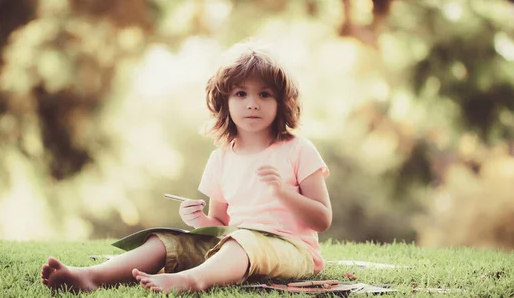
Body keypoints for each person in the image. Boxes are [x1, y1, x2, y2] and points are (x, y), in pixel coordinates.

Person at [40, 40, 332, 294]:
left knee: (242, 242)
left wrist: (282, 192)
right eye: (241, 94)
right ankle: (91, 276)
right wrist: (200, 220)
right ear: (224, 102)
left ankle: (190, 281)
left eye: (264, 94)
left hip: (293, 250)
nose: (252, 104)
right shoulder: (221, 158)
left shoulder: (298, 149)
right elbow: (220, 226)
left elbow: (322, 219)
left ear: (281, 102)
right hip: (236, 243)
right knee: (164, 241)